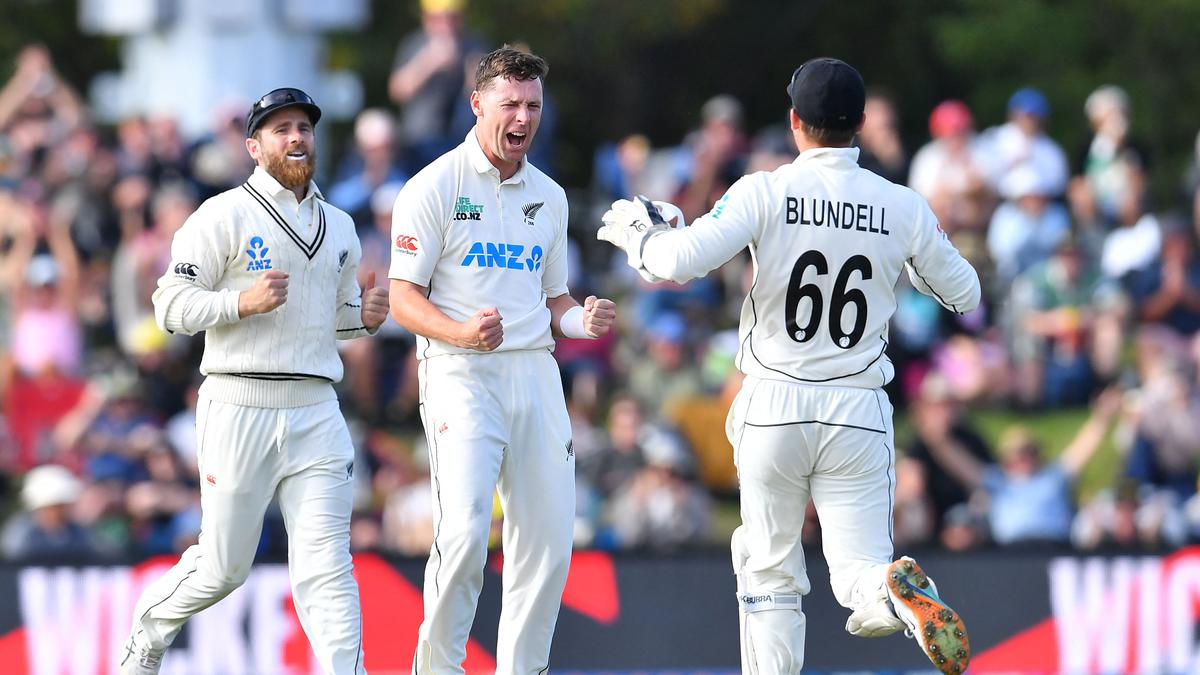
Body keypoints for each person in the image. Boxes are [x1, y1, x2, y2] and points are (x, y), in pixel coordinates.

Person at [597, 57, 980, 675]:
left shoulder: (764, 189)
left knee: (769, 566)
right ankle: (893, 593)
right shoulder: (901, 204)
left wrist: (640, 236)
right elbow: (965, 295)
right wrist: (904, 257)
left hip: (775, 403)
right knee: (857, 571)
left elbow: (677, 262)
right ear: (859, 123)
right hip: (858, 407)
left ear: (795, 121)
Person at [118, 87, 388, 675]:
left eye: (304, 129)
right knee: (223, 567)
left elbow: (338, 321)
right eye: (281, 129)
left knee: (327, 565)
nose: (296, 138)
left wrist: (364, 318)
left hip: (317, 406)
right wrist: (242, 302)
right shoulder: (222, 215)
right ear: (253, 146)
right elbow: (168, 308)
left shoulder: (340, 225)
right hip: (239, 399)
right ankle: (147, 633)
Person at [388, 46, 617, 675]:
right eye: (511, 104)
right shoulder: (433, 187)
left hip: (534, 374)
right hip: (461, 373)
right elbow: (403, 300)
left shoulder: (549, 194)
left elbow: (555, 300)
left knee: (546, 543)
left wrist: (582, 320)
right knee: (462, 539)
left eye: (533, 106)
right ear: (478, 103)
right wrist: (461, 332)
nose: (523, 118)